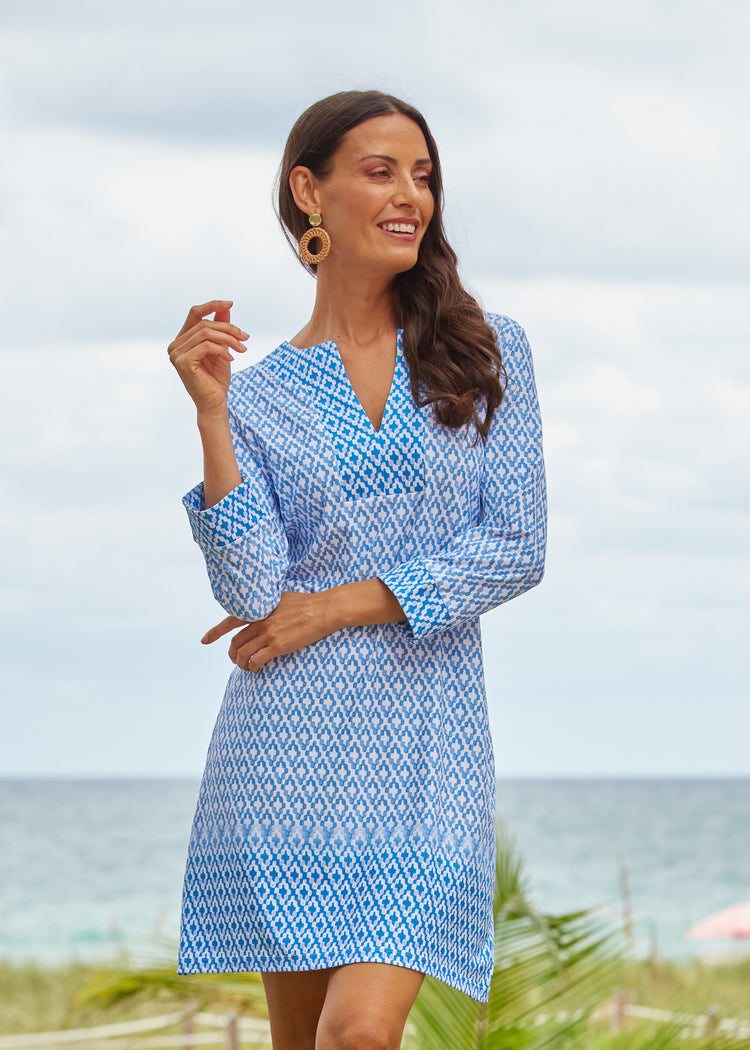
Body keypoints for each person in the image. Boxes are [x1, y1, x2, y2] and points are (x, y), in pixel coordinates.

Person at [168, 89, 547, 1050]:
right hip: (287, 759)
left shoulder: (487, 352)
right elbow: (253, 591)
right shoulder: (258, 398)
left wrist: (335, 605)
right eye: (380, 172)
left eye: (422, 176)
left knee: (360, 1035)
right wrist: (211, 416)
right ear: (310, 193)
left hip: (429, 753)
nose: (410, 196)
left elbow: (515, 547)